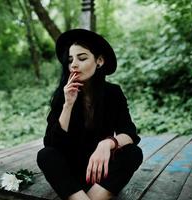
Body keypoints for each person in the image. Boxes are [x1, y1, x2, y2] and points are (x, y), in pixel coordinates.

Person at [37, 29, 143, 200]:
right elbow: (51, 144)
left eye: (82, 58)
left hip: (100, 171)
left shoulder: (113, 93)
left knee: (133, 153)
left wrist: (107, 144)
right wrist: (68, 104)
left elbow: (130, 133)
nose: (74, 65)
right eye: (70, 60)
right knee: (45, 155)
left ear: (99, 61)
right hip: (71, 172)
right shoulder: (63, 95)